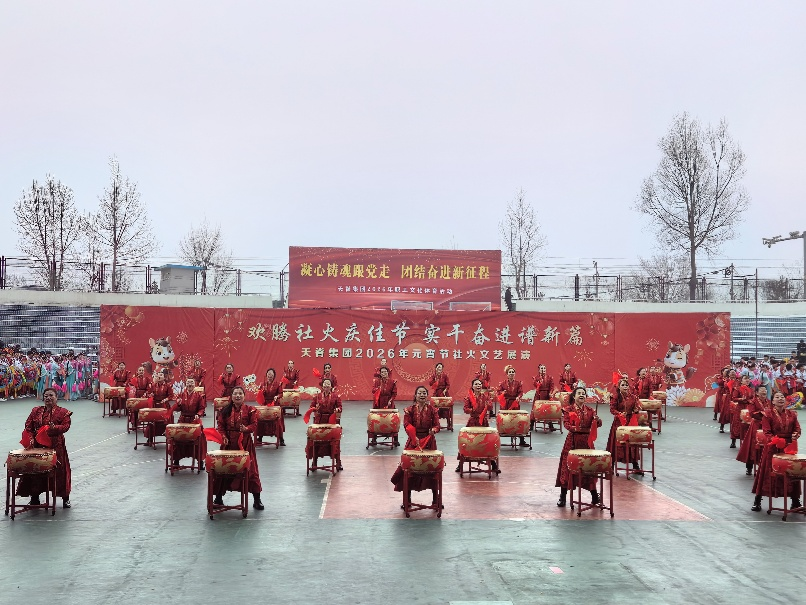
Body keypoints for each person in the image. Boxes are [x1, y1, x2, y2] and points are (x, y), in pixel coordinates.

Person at [17, 387, 72, 508]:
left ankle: (65, 498)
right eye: (46, 396)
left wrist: (54, 428)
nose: (48, 398)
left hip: (56, 446)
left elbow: (66, 426)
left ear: (56, 397)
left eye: (51, 395)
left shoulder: (63, 412)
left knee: (60, 471)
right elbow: (28, 426)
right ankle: (34, 497)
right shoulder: (36, 411)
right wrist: (31, 438)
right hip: (38, 446)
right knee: (35, 470)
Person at [391, 386, 441, 507]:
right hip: (413, 441)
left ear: (427, 395)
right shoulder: (410, 410)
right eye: (420, 393)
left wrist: (433, 430)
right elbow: (407, 424)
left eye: (424, 393)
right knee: (408, 470)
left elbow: (437, 425)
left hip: (429, 442)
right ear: (415, 395)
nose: (422, 395)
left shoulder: (433, 410)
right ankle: (407, 500)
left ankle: (435, 500)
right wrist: (414, 437)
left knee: (432, 470)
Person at [214, 386, 263, 510]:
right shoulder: (224, 410)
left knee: (251, 471)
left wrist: (246, 429)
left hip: (245, 444)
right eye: (235, 393)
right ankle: (218, 497)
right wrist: (223, 436)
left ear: (244, 396)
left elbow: (254, 425)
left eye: (240, 393)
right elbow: (220, 425)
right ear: (231, 396)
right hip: (228, 444)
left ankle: (257, 499)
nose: (238, 396)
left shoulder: (250, 410)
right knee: (223, 469)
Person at [751, 391, 801, 512]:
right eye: (777, 397)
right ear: (772, 401)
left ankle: (795, 501)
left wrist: (795, 435)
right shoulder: (767, 414)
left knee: (792, 471)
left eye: (782, 397)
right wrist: (776, 441)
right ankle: (758, 500)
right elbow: (767, 432)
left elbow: (797, 429)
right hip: (772, 447)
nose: (780, 399)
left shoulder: (792, 414)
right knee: (766, 473)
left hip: (789, 447)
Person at [556, 386, 602, 507]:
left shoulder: (591, 410)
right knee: (567, 468)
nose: (582, 395)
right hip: (572, 441)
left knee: (589, 467)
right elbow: (566, 424)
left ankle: (594, 496)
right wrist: (576, 428)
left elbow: (599, 424)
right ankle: (563, 496)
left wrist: (597, 420)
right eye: (579, 393)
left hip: (587, 442)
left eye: (583, 393)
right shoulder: (568, 409)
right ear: (574, 396)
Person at [605, 378, 644, 475]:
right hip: (619, 423)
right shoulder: (616, 397)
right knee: (616, 443)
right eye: (623, 385)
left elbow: (636, 408)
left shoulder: (633, 397)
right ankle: (611, 466)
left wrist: (637, 409)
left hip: (630, 422)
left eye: (626, 385)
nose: (625, 386)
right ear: (619, 387)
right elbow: (612, 409)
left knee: (632, 442)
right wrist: (619, 414)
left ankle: (635, 465)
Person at [304, 378, 343, 470]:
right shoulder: (317, 397)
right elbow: (311, 406)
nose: (326, 385)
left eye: (328, 384)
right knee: (316, 441)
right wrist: (315, 408)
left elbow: (340, 407)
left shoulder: (335, 396)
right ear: (322, 386)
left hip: (331, 421)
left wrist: (337, 409)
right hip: (319, 420)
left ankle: (338, 462)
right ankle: (314, 462)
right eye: (325, 384)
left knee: (334, 442)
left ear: (331, 386)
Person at [172, 377, 207, 469]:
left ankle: (200, 462)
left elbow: (202, 408)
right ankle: (176, 460)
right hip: (183, 420)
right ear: (185, 384)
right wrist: (178, 404)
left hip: (194, 420)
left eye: (191, 382)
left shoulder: (199, 396)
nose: (190, 384)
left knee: (198, 440)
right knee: (178, 438)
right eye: (188, 382)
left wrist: (198, 414)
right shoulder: (181, 395)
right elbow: (177, 409)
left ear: (194, 384)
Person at [736, 385, 770, 476]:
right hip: (756, 425)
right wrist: (763, 413)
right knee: (753, 446)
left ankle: (762, 466)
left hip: (766, 426)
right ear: (757, 393)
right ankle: (749, 467)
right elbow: (752, 414)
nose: (764, 392)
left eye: (765, 390)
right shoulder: (753, 402)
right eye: (762, 390)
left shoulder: (768, 402)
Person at [497, 365, 527, 447]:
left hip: (515, 403)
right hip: (506, 404)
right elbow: (498, 392)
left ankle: (521, 440)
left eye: (513, 372)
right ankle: (498, 439)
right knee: (504, 420)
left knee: (517, 420)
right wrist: (503, 393)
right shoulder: (502, 383)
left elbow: (521, 392)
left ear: (515, 373)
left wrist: (518, 397)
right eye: (510, 372)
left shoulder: (518, 383)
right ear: (507, 374)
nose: (511, 373)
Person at [256, 368, 285, 446]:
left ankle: (281, 439)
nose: (270, 376)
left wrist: (277, 396)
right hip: (265, 404)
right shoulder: (262, 384)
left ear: (274, 376)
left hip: (274, 404)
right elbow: (259, 393)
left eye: (271, 374)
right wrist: (260, 393)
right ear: (266, 375)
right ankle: (260, 437)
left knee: (277, 421)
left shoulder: (278, 384)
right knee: (261, 421)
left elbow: (281, 394)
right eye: (268, 374)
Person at [144, 371, 173, 447]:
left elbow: (171, 396)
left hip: (164, 405)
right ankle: (150, 439)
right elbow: (149, 393)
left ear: (164, 377)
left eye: (161, 375)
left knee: (166, 422)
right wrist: (150, 395)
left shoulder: (168, 386)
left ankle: (169, 440)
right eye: (158, 375)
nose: (159, 376)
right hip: (155, 406)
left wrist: (165, 399)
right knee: (152, 422)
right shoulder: (153, 385)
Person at [729, 373, 754, 449]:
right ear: (741, 381)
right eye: (745, 379)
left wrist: (751, 401)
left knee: (746, 425)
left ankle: (745, 442)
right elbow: (734, 398)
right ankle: (733, 442)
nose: (747, 380)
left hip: (748, 408)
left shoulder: (751, 389)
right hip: (740, 408)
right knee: (737, 424)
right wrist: (741, 399)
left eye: (748, 379)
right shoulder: (738, 389)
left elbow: (753, 398)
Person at [533, 364, 557, 431]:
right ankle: (531, 424)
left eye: (544, 368)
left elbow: (552, 386)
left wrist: (550, 393)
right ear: (539, 370)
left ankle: (550, 425)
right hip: (539, 394)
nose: (543, 369)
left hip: (547, 394)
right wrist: (538, 384)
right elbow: (534, 384)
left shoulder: (549, 377)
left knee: (548, 409)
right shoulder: (536, 377)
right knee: (535, 409)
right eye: (541, 368)